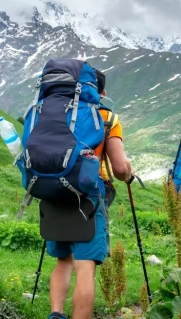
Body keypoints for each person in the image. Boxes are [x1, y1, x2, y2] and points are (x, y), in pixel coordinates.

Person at [47, 69, 134, 319]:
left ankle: (56, 313)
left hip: (54, 190)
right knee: (85, 265)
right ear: (102, 93)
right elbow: (118, 169)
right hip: (89, 194)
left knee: (63, 259)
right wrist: (128, 173)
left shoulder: (55, 112)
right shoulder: (107, 117)